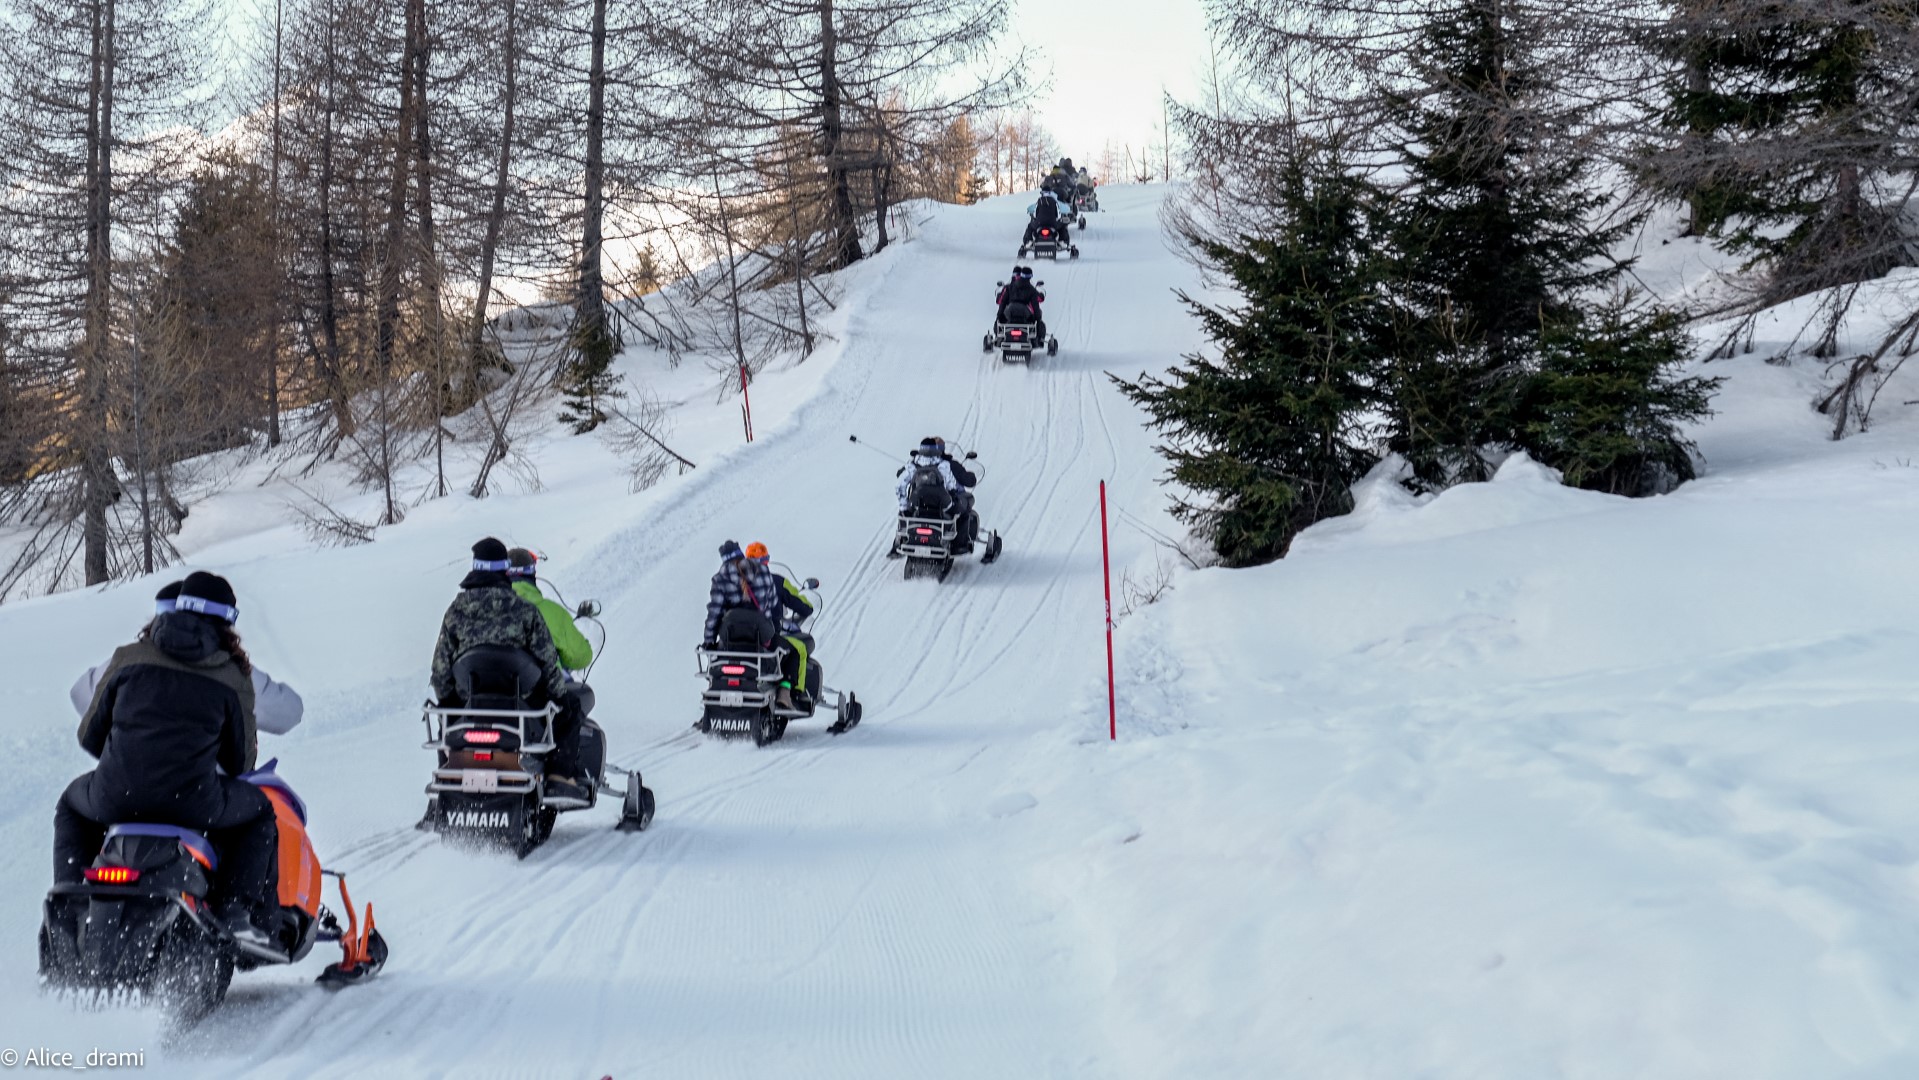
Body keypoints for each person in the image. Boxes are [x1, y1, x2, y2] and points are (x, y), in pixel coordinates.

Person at [54, 571, 281, 947]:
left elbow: (90, 735)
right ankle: (234, 911)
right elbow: (240, 763)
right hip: (192, 805)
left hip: (115, 797)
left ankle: (71, 903)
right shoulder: (232, 676)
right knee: (259, 812)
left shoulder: (126, 658)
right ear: (228, 622)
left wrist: (129, 759)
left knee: (70, 804)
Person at [431, 538, 587, 799]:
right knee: (571, 707)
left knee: (446, 721)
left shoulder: (455, 612)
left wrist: (449, 701)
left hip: (471, 702)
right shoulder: (525, 611)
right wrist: (560, 698)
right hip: (521, 702)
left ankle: (447, 778)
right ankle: (559, 777)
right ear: (505, 570)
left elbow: (440, 670)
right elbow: (548, 662)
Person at [69, 580, 305, 738]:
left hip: (127, 782)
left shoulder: (128, 660)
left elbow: (81, 693)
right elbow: (287, 712)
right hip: (204, 787)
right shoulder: (227, 669)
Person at [506, 547, 599, 731]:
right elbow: (581, 657)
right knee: (577, 705)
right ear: (532, 574)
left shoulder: (488, 611)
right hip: (541, 698)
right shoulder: (551, 612)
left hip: (491, 693)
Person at [703, 540, 789, 707]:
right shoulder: (763, 571)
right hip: (761, 638)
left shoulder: (720, 579)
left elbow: (714, 614)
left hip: (730, 641)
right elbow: (773, 605)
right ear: (742, 554)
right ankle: (783, 695)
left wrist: (708, 641)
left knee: (716, 664)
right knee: (789, 653)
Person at [748, 543, 817, 705]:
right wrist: (805, 604)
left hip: (738, 637)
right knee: (799, 649)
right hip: (768, 637)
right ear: (766, 561)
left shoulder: (736, 583)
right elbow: (805, 607)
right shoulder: (777, 582)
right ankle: (793, 693)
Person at [897, 436, 980, 544]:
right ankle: (960, 543)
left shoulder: (913, 465)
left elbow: (900, 484)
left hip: (918, 503)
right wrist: (953, 496)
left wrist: (904, 506)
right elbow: (951, 485)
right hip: (941, 504)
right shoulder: (945, 465)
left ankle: (899, 541)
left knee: (904, 513)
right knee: (963, 509)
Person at [995, 266, 1047, 345]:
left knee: (999, 322)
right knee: (1037, 323)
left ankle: (999, 337)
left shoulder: (1009, 287)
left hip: (1010, 311)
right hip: (1024, 312)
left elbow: (1002, 302)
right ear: (1030, 277)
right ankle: (1037, 340)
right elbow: (1035, 306)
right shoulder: (1031, 289)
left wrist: (1000, 315)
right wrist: (1037, 319)